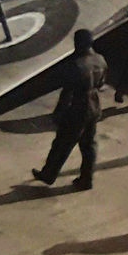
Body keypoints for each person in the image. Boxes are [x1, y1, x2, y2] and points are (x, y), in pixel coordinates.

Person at [31, 29, 108, 190]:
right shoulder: (100, 60)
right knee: (89, 145)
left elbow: (67, 93)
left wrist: (58, 114)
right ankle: (87, 179)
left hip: (78, 109)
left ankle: (49, 174)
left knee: (62, 144)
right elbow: (101, 84)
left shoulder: (76, 65)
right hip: (94, 106)